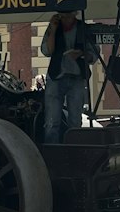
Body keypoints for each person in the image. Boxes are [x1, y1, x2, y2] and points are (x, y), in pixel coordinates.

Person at [40, 7, 98, 143]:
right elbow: (47, 51)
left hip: (77, 77)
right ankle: (52, 152)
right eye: (63, 16)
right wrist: (53, 29)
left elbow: (94, 55)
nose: (65, 19)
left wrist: (81, 54)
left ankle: (74, 151)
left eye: (68, 16)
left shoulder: (83, 28)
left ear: (75, 14)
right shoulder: (53, 27)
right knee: (51, 120)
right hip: (56, 77)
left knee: (75, 121)